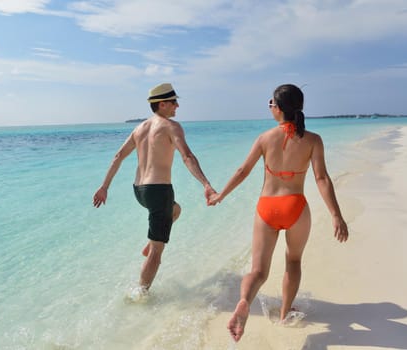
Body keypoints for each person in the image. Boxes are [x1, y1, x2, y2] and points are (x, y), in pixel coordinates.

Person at [208, 84, 348, 342]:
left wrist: (220, 196)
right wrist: (336, 215)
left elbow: (242, 171)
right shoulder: (313, 140)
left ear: (279, 108)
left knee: (258, 271)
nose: (270, 107)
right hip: (295, 207)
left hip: (267, 208)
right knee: (293, 262)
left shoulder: (265, 138)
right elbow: (322, 178)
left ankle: (243, 303)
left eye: (271, 102)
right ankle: (284, 314)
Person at [93, 83, 216, 294]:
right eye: (173, 102)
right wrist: (206, 184)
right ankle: (141, 293)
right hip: (158, 191)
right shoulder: (171, 126)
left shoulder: (139, 128)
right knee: (157, 253)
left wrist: (104, 187)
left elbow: (118, 156)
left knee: (175, 210)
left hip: (139, 191)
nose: (177, 106)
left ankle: (151, 244)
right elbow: (187, 156)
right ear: (162, 104)